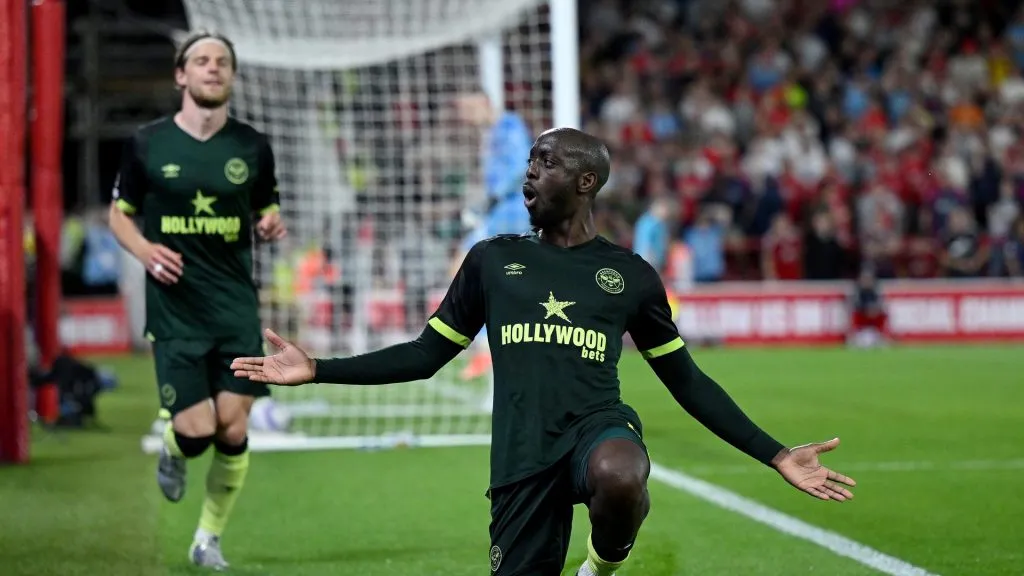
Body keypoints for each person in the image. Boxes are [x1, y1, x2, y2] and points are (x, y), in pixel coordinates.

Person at [231, 128, 855, 576]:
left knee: (620, 473)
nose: (531, 171)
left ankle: (600, 568)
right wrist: (318, 370)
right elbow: (425, 354)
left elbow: (686, 382)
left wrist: (774, 454)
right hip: (521, 457)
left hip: (596, 429)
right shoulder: (493, 262)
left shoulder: (629, 275)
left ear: (586, 181)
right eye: (530, 160)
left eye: (547, 161)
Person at [108, 31, 287, 570]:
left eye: (222, 62)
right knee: (196, 430)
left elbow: (267, 204)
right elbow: (118, 213)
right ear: (181, 76)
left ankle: (207, 538)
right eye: (201, 61)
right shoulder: (147, 143)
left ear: (231, 77)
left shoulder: (252, 145)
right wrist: (144, 249)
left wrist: (271, 220)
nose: (213, 68)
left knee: (233, 429)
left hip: (235, 308)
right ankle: (172, 443)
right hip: (176, 309)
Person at [451, 91, 534, 379]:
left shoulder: (509, 125)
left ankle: (488, 346)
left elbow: (524, 165)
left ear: (485, 104)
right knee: (487, 280)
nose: (466, 117)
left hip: (509, 215)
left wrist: (494, 198)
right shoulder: (492, 134)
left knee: (470, 270)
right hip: (497, 214)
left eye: (469, 109)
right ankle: (493, 346)